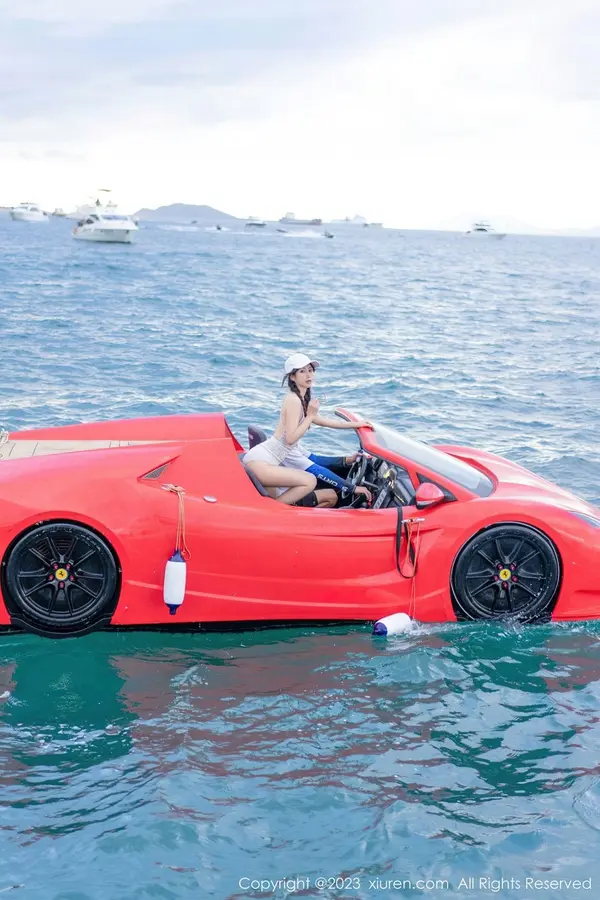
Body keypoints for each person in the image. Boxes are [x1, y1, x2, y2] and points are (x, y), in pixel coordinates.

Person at [243, 352, 373, 507]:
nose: (308, 375)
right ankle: (271, 511)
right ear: (292, 377)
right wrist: (352, 488)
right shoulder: (293, 400)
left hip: (264, 463)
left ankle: (274, 511)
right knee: (309, 480)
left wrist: (356, 425)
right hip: (261, 463)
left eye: (310, 370)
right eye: (302, 371)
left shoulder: (301, 400)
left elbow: (324, 422)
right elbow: (290, 438)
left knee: (298, 487)